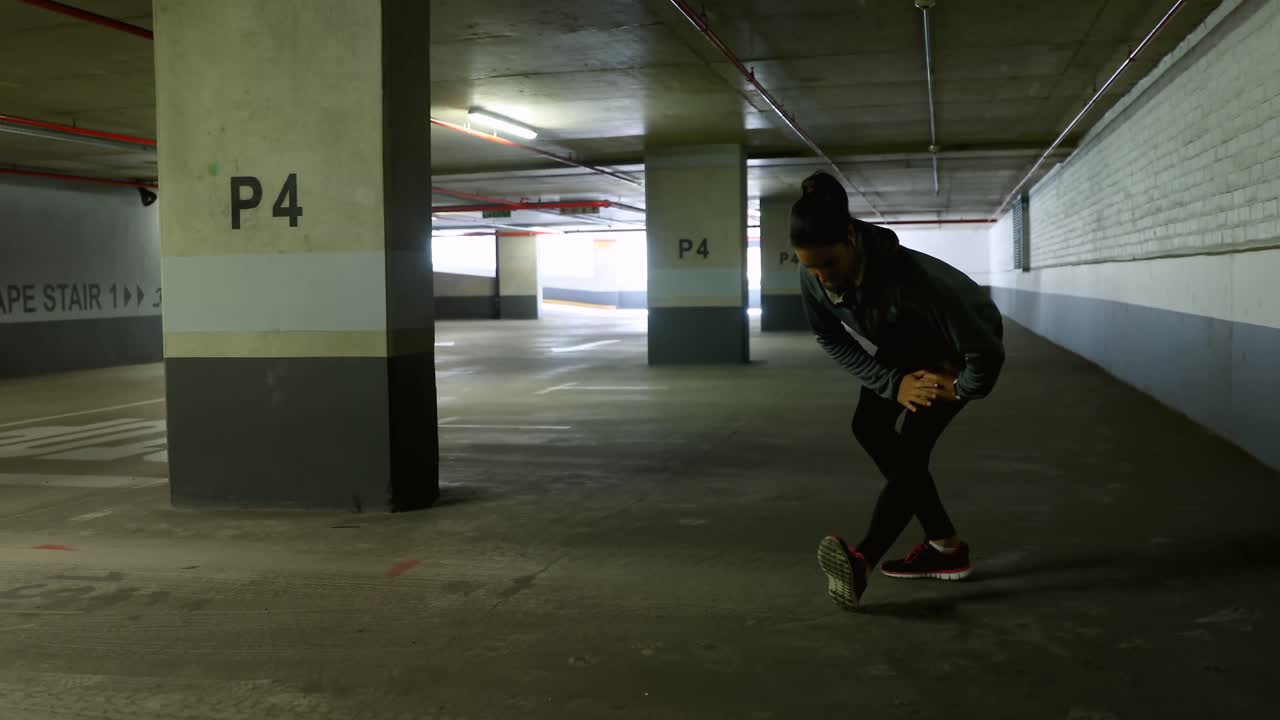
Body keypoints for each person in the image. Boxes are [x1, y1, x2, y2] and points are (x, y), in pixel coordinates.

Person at [791, 171, 1006, 611]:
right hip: (904, 340)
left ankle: (862, 561)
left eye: (829, 264)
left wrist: (960, 388)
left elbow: (986, 350)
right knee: (868, 425)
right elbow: (830, 337)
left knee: (911, 448)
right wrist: (894, 383)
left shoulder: (919, 282)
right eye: (809, 266)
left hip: (955, 348)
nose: (822, 278)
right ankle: (945, 546)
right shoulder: (814, 277)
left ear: (851, 237)